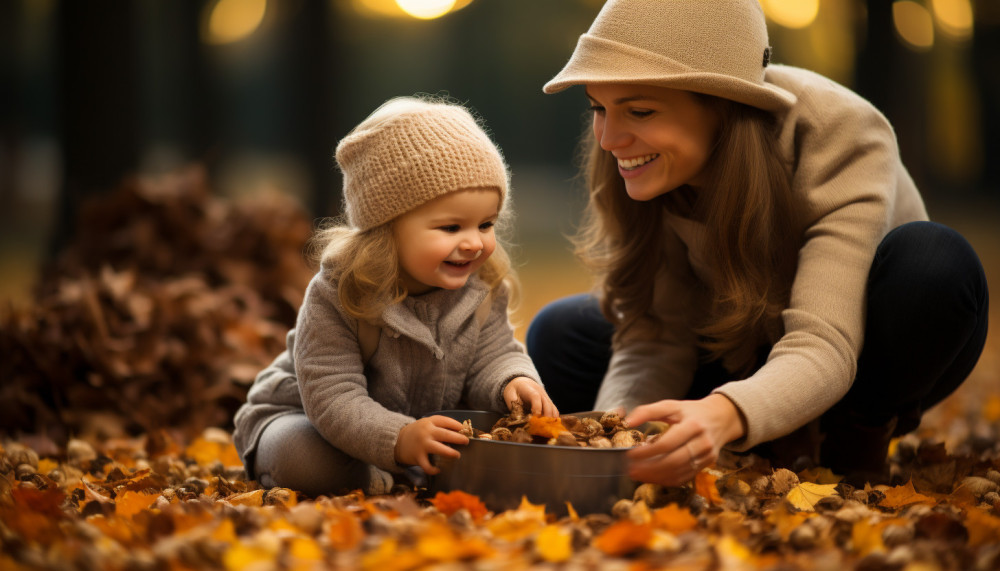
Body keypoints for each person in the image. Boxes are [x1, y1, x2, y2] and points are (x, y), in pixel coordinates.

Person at [527, 0, 989, 487]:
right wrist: (622, 443)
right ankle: (761, 430)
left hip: (866, 354)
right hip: (740, 348)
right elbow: (655, 337)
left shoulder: (841, 133)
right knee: (560, 332)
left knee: (935, 264)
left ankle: (851, 434)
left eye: (639, 110)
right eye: (599, 107)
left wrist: (725, 414)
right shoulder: (641, 161)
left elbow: (823, 340)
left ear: (723, 103)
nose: (608, 139)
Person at [233, 96, 557, 497]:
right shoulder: (340, 293)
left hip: (415, 430)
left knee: (494, 449)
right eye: (451, 227)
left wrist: (514, 379)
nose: (474, 242)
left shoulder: (482, 287)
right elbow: (333, 398)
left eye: (486, 223)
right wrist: (398, 437)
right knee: (306, 459)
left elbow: (494, 354)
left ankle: (399, 471)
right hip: (307, 418)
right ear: (386, 230)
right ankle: (378, 474)